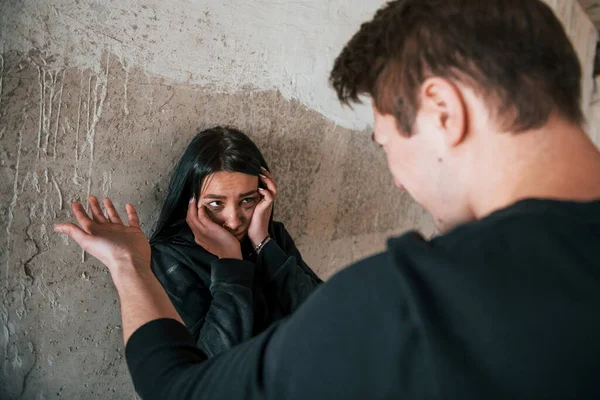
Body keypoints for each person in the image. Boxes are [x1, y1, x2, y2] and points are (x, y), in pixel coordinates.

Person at [54, 0, 600, 399]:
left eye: (386, 143)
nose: (398, 181)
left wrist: (129, 267)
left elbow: (185, 391)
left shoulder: (418, 303)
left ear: (442, 109)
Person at [149, 126, 321, 357]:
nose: (233, 221)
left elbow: (322, 315)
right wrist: (231, 264)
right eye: (216, 204)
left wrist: (263, 242)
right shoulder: (170, 257)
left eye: (247, 200)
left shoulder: (272, 237)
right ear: (190, 202)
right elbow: (211, 365)